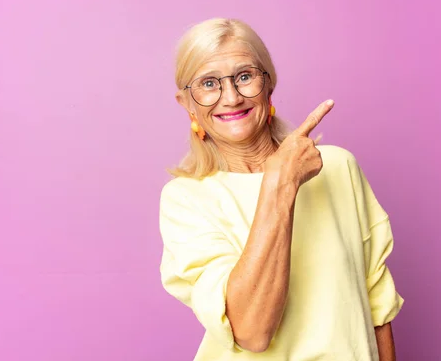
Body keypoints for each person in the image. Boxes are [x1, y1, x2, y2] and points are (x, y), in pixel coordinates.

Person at [158, 18, 404, 361]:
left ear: (268, 85)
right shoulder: (186, 200)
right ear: (187, 103)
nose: (231, 97)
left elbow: (378, 306)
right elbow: (252, 332)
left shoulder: (337, 168)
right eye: (209, 83)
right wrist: (280, 182)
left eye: (245, 77)